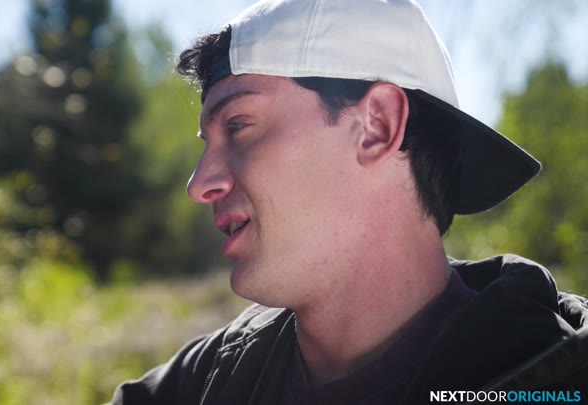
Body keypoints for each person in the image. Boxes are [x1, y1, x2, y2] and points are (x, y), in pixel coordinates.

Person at [109, 0, 588, 403]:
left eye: (237, 126)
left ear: (376, 126)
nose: (198, 184)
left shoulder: (559, 381)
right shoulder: (203, 382)